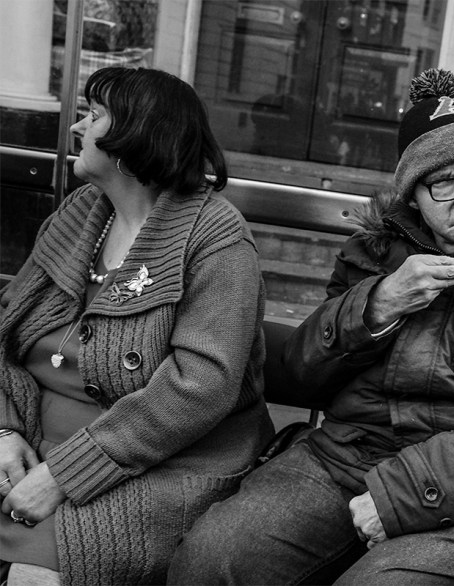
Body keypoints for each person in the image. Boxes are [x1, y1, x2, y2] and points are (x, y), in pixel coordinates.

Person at [169, 68, 454, 585]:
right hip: (346, 458)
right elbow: (304, 375)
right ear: (412, 195)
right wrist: (375, 306)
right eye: (444, 181)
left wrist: (397, 495)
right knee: (212, 560)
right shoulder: (373, 252)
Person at [0, 67, 274, 586]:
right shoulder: (81, 214)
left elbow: (199, 388)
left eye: (95, 114)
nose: (78, 126)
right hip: (36, 437)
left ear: (137, 133)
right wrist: (4, 430)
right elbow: (5, 329)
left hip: (159, 463)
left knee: (35, 576)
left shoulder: (216, 237)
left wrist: (64, 474)